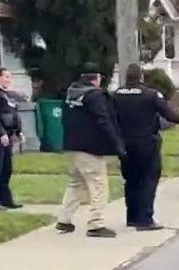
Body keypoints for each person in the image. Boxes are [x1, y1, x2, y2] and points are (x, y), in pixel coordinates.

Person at [56, 62, 125, 238]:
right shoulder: (95, 96)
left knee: (76, 183)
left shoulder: (71, 94)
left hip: (71, 145)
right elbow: (103, 120)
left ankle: (64, 219)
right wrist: (116, 144)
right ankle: (96, 223)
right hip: (90, 148)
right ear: (97, 78)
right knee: (98, 184)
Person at [113, 64, 179, 231]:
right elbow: (170, 115)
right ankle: (145, 219)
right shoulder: (150, 95)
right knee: (148, 180)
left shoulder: (115, 95)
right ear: (141, 78)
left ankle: (132, 217)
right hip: (147, 144)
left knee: (131, 181)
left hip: (124, 144)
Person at [0, 67, 24, 210]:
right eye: (6, 77)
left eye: (9, 77)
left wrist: (18, 132)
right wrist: (1, 133)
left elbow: (13, 116)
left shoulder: (8, 96)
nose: (8, 80)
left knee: (7, 168)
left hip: (8, 134)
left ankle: (5, 199)